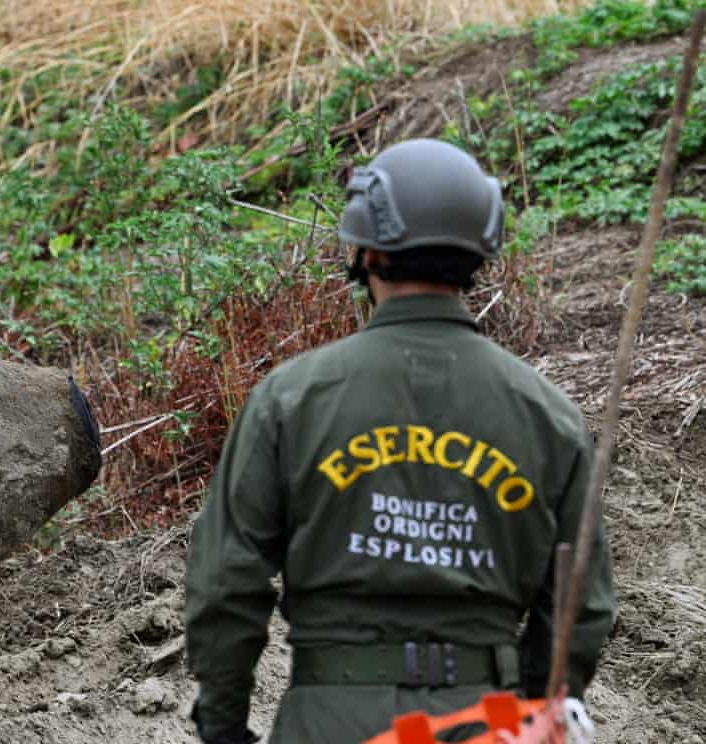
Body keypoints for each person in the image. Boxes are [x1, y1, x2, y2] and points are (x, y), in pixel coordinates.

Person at [183, 139, 616, 744]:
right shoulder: (548, 415)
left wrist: (222, 725)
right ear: (479, 250)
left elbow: (225, 582)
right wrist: (532, 710)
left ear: (365, 248)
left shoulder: (291, 398)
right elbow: (581, 606)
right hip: (485, 720)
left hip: (330, 720)